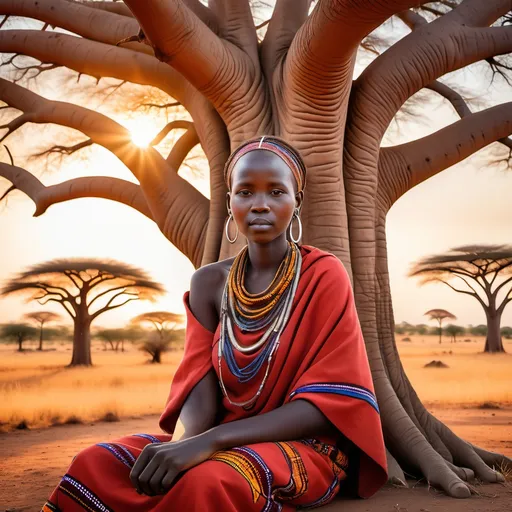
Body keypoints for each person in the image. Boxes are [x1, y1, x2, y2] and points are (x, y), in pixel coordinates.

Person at [42, 136, 387, 512]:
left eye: (275, 192)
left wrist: (212, 443)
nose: (259, 205)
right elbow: (199, 385)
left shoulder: (323, 275)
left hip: (306, 446)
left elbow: (329, 403)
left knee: (206, 481)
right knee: (95, 463)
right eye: (245, 192)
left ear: (297, 201)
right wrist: (183, 444)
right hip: (216, 437)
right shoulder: (208, 283)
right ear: (229, 203)